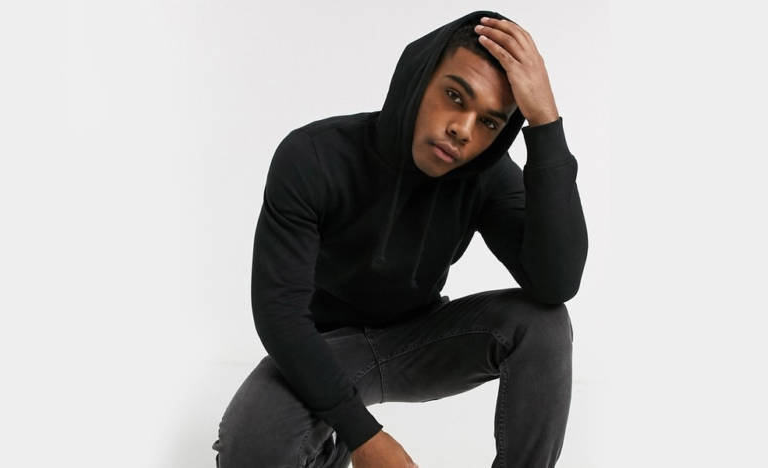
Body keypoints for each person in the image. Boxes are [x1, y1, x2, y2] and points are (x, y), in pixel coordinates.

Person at [212, 9, 588, 468]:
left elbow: (556, 282)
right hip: (323, 346)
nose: (463, 129)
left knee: (544, 323)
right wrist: (365, 437)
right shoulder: (314, 156)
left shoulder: (485, 177)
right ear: (419, 79)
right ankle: (331, 445)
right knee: (249, 448)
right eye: (454, 96)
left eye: (489, 123)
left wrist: (546, 124)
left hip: (417, 341)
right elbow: (280, 316)